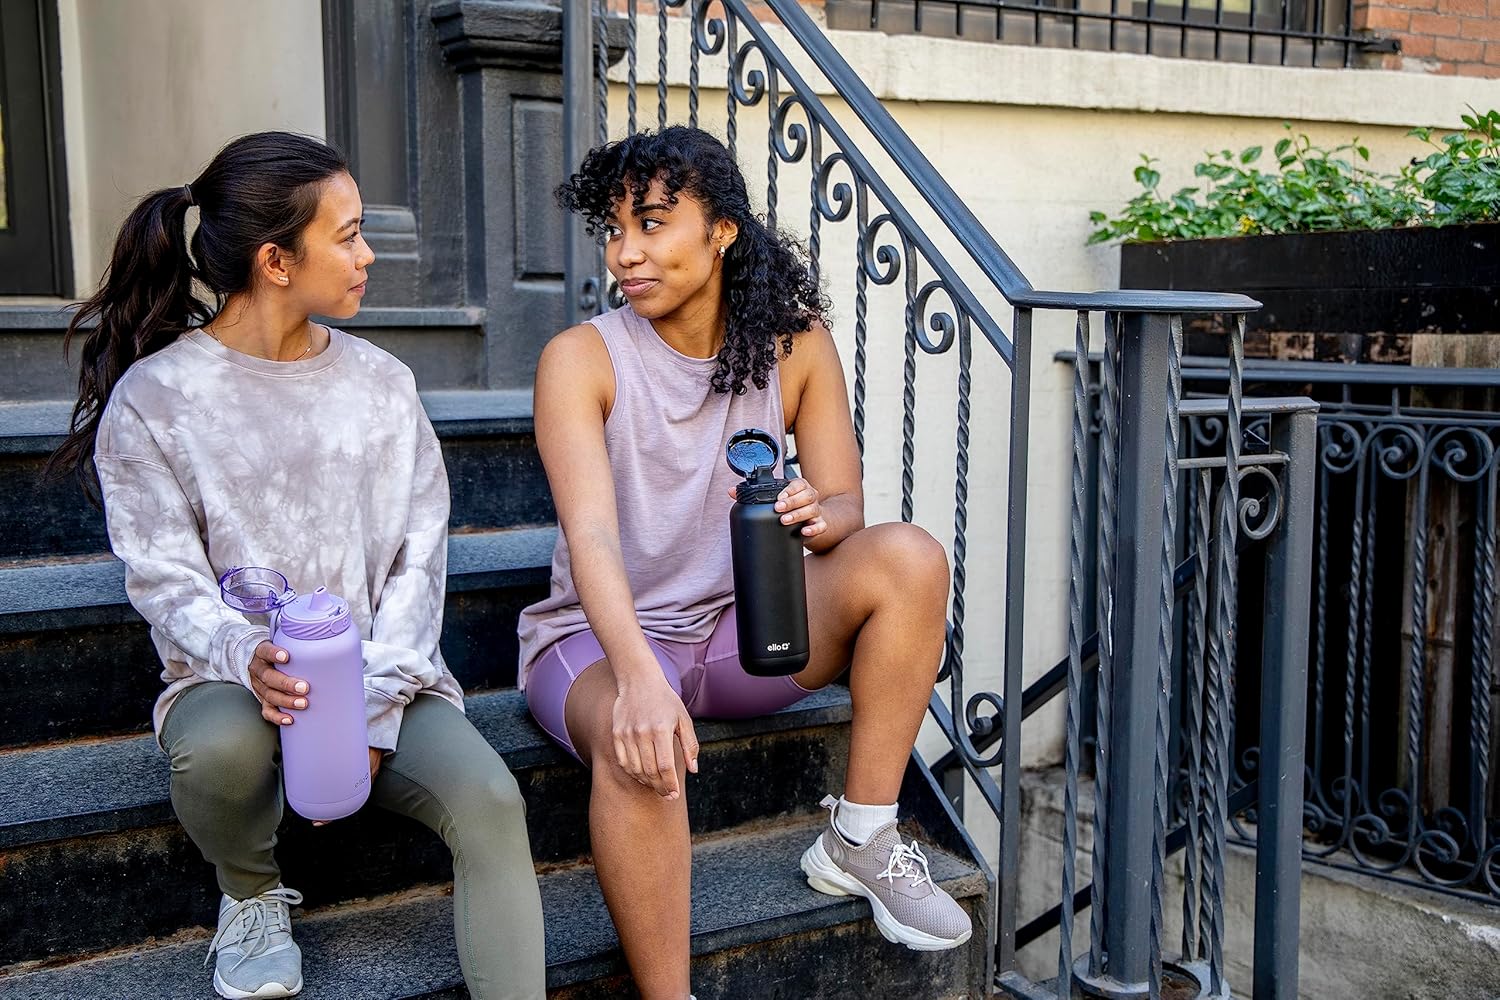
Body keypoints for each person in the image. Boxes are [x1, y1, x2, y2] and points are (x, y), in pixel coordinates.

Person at [47, 131, 546, 1000]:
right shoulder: (157, 400)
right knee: (218, 754)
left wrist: (374, 704)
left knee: (493, 801)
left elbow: (419, 557)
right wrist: (247, 657)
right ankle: (249, 895)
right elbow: (165, 580)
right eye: (347, 236)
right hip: (234, 679)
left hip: (381, 671)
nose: (368, 255)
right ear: (276, 262)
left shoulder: (383, 384)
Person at [519, 125, 972, 1000]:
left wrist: (816, 514)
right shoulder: (580, 359)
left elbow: (847, 503)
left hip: (734, 634)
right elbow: (592, 537)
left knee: (910, 559)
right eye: (614, 230)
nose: (625, 252)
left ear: (722, 230)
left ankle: (861, 837)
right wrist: (637, 679)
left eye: (652, 223)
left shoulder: (795, 345)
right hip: (597, 640)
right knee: (642, 742)